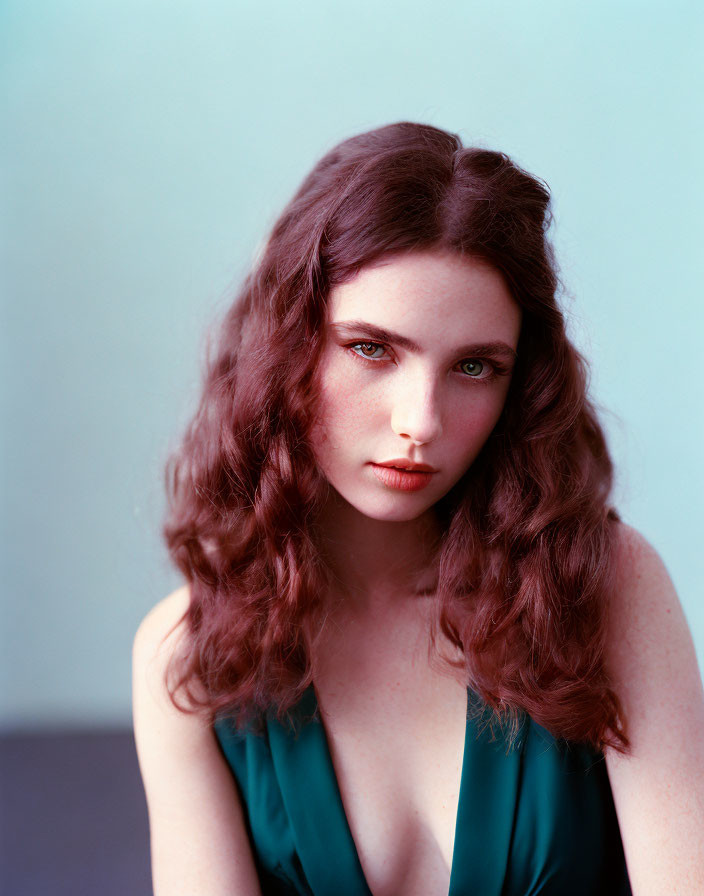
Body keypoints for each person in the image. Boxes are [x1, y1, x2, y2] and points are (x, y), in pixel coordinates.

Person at [132, 122, 704, 896]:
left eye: (475, 366)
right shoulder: (187, 655)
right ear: (288, 346)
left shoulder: (605, 586)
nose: (421, 422)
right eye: (372, 349)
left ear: (520, 384)